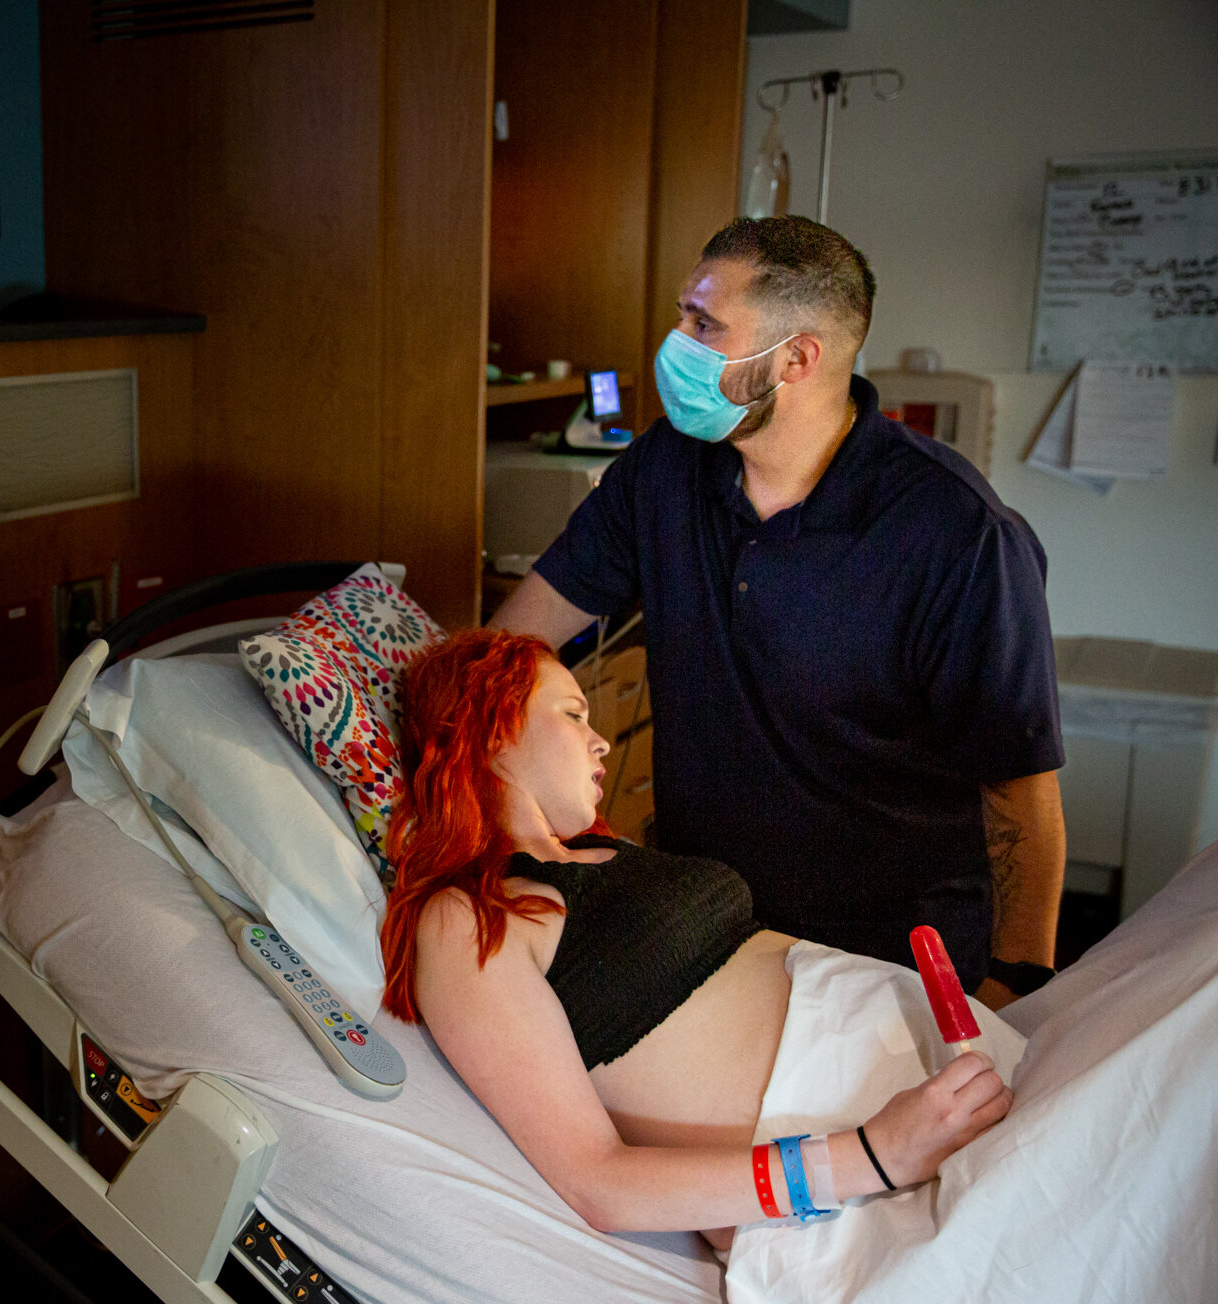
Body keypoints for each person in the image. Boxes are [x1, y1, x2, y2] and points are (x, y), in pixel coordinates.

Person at [491, 217, 1064, 1007]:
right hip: (715, 923)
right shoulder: (667, 468)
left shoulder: (957, 537)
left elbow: (1021, 795)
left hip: (893, 963)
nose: (676, 344)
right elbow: (514, 637)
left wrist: (1017, 986)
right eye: (684, 316)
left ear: (798, 357)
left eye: (705, 325)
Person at [380, 628, 1014, 1240]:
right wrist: (874, 1156)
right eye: (574, 714)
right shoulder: (466, 919)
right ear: (493, 731)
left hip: (933, 1072)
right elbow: (597, 1182)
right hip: (864, 1165)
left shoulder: (604, 853)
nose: (600, 742)